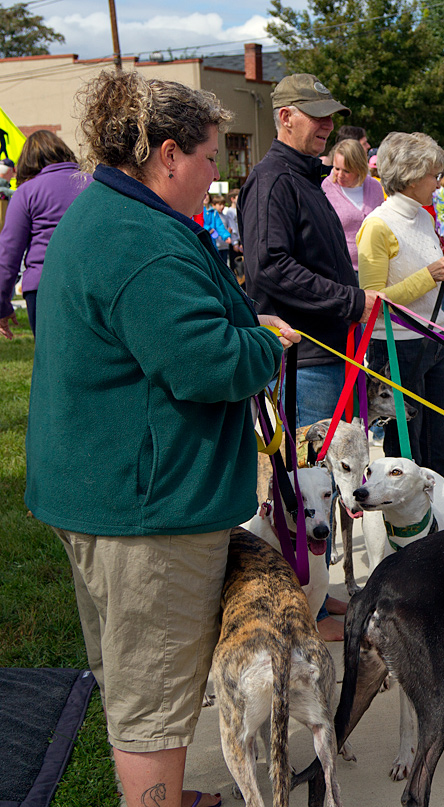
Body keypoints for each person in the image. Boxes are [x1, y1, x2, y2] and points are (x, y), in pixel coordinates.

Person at [24, 69, 298, 807]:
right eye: (212, 158)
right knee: (152, 688)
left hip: (104, 489)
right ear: (168, 154)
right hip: (144, 508)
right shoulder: (138, 239)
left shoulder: (109, 211)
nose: (216, 177)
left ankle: (165, 796)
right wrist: (265, 346)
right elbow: (204, 362)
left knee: (133, 669)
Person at [240, 73, 379, 427]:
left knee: (337, 481)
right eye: (318, 115)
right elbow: (270, 267)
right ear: (286, 117)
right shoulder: (273, 179)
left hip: (329, 359)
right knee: (311, 480)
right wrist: (351, 301)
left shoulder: (304, 178)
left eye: (331, 116)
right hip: (304, 367)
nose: (329, 124)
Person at [358, 132, 444, 477]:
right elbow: (372, 302)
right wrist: (430, 275)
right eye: (434, 174)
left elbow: (428, 279)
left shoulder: (425, 218)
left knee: (439, 444)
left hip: (435, 341)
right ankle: (408, 528)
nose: (438, 182)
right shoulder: (377, 225)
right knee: (406, 449)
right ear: (413, 175)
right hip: (397, 347)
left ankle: (439, 522)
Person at [0, 130, 90, 336]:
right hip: (90, 287)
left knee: (50, 362)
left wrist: (2, 304)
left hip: (44, 289)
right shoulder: (93, 184)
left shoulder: (27, 192)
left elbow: (8, 254)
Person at [322, 137, 383, 274]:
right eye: (336, 168)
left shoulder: (375, 187)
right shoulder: (326, 188)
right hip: (340, 269)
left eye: (347, 171)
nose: (339, 175)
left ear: (359, 168)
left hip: (373, 266)